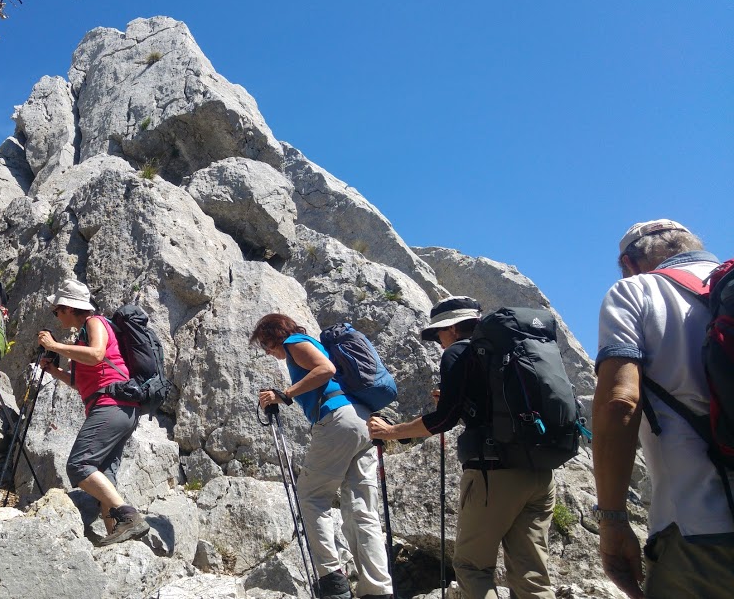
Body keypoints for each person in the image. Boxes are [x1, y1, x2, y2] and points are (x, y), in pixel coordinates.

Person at [367, 296, 556, 599]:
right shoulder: (510, 350)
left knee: (472, 568)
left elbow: (443, 419)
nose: (439, 342)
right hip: (540, 471)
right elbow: (482, 406)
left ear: (453, 329)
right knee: (531, 574)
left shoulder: (458, 351)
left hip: (493, 472)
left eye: (439, 333)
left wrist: (392, 431)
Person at [593, 219, 734, 598]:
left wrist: (612, 521)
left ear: (629, 261)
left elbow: (620, 402)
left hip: (701, 531)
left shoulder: (635, 292)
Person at [253, 313, 394, 599]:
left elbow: (325, 369)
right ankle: (378, 589)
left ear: (276, 334)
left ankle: (332, 581)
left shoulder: (295, 342)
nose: (268, 351)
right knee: (361, 510)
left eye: (266, 343)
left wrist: (285, 394)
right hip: (363, 422)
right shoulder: (309, 343)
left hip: (337, 420)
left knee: (311, 496)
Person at [37, 279, 149, 546]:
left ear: (69, 308)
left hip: (111, 405)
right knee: (103, 474)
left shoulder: (94, 322)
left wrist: (54, 346)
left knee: (78, 465)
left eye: (57, 311)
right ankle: (117, 535)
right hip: (121, 409)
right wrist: (55, 371)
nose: (56, 315)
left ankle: (130, 517)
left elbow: (97, 354)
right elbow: (82, 382)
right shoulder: (84, 334)